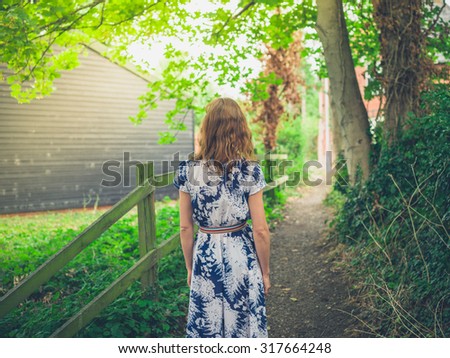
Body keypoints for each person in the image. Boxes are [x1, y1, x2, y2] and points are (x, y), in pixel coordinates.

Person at [173, 97, 271, 338]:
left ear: (207, 129)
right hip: (241, 255)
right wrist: (265, 272)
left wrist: (190, 267)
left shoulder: (189, 170)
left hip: (205, 255)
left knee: (208, 326)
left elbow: (185, 228)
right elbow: (260, 230)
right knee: (243, 327)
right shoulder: (250, 170)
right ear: (240, 129)